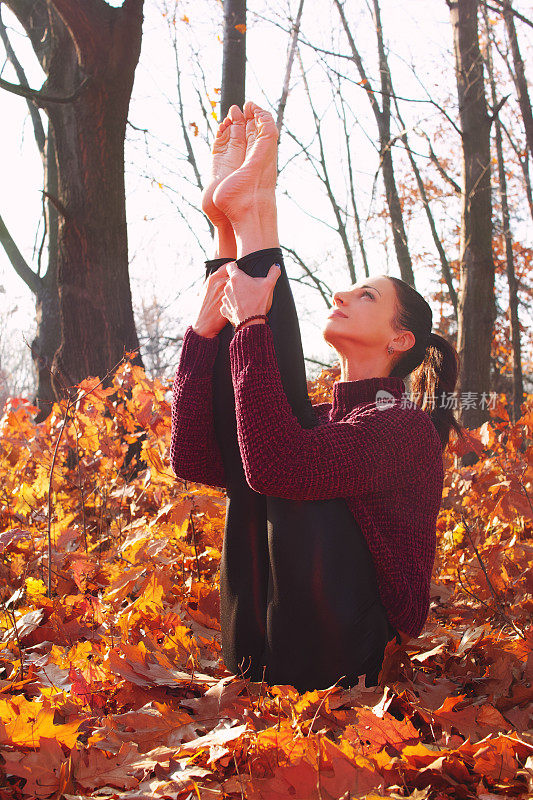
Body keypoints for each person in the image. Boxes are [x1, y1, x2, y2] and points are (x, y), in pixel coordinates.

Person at [170, 101, 463, 693]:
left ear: (401, 339)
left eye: (367, 296)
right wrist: (206, 336)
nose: (343, 293)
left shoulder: (403, 427)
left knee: (283, 455)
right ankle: (233, 230)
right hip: (269, 649)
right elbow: (196, 459)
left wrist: (253, 328)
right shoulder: (334, 419)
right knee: (264, 451)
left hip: (349, 656)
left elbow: (283, 462)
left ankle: (255, 217)